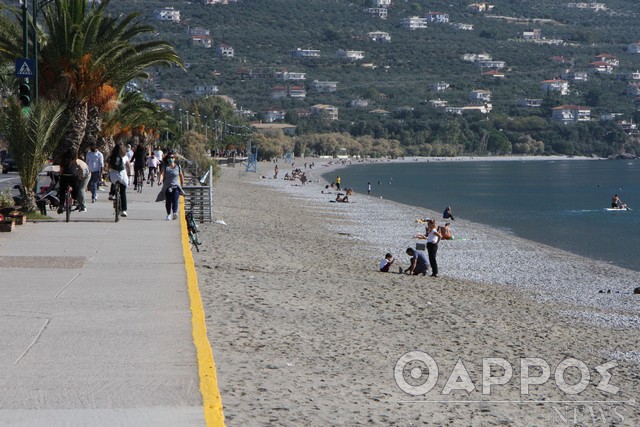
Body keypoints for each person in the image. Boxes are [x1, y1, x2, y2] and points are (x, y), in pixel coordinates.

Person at [158, 152, 185, 221]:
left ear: (174, 159)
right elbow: (162, 174)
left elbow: (181, 175)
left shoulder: (178, 167)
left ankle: (175, 213)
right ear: (167, 159)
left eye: (172, 157)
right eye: (169, 157)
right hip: (167, 186)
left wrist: (182, 184)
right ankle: (169, 214)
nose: (171, 159)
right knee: (168, 201)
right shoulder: (165, 166)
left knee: (175, 200)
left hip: (176, 186)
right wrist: (160, 181)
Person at [108, 142, 129, 217]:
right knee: (123, 192)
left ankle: (112, 193)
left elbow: (109, 166)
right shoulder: (125, 157)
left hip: (114, 174)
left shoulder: (111, 157)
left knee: (113, 182)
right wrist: (129, 174)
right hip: (122, 174)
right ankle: (124, 210)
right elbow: (128, 166)